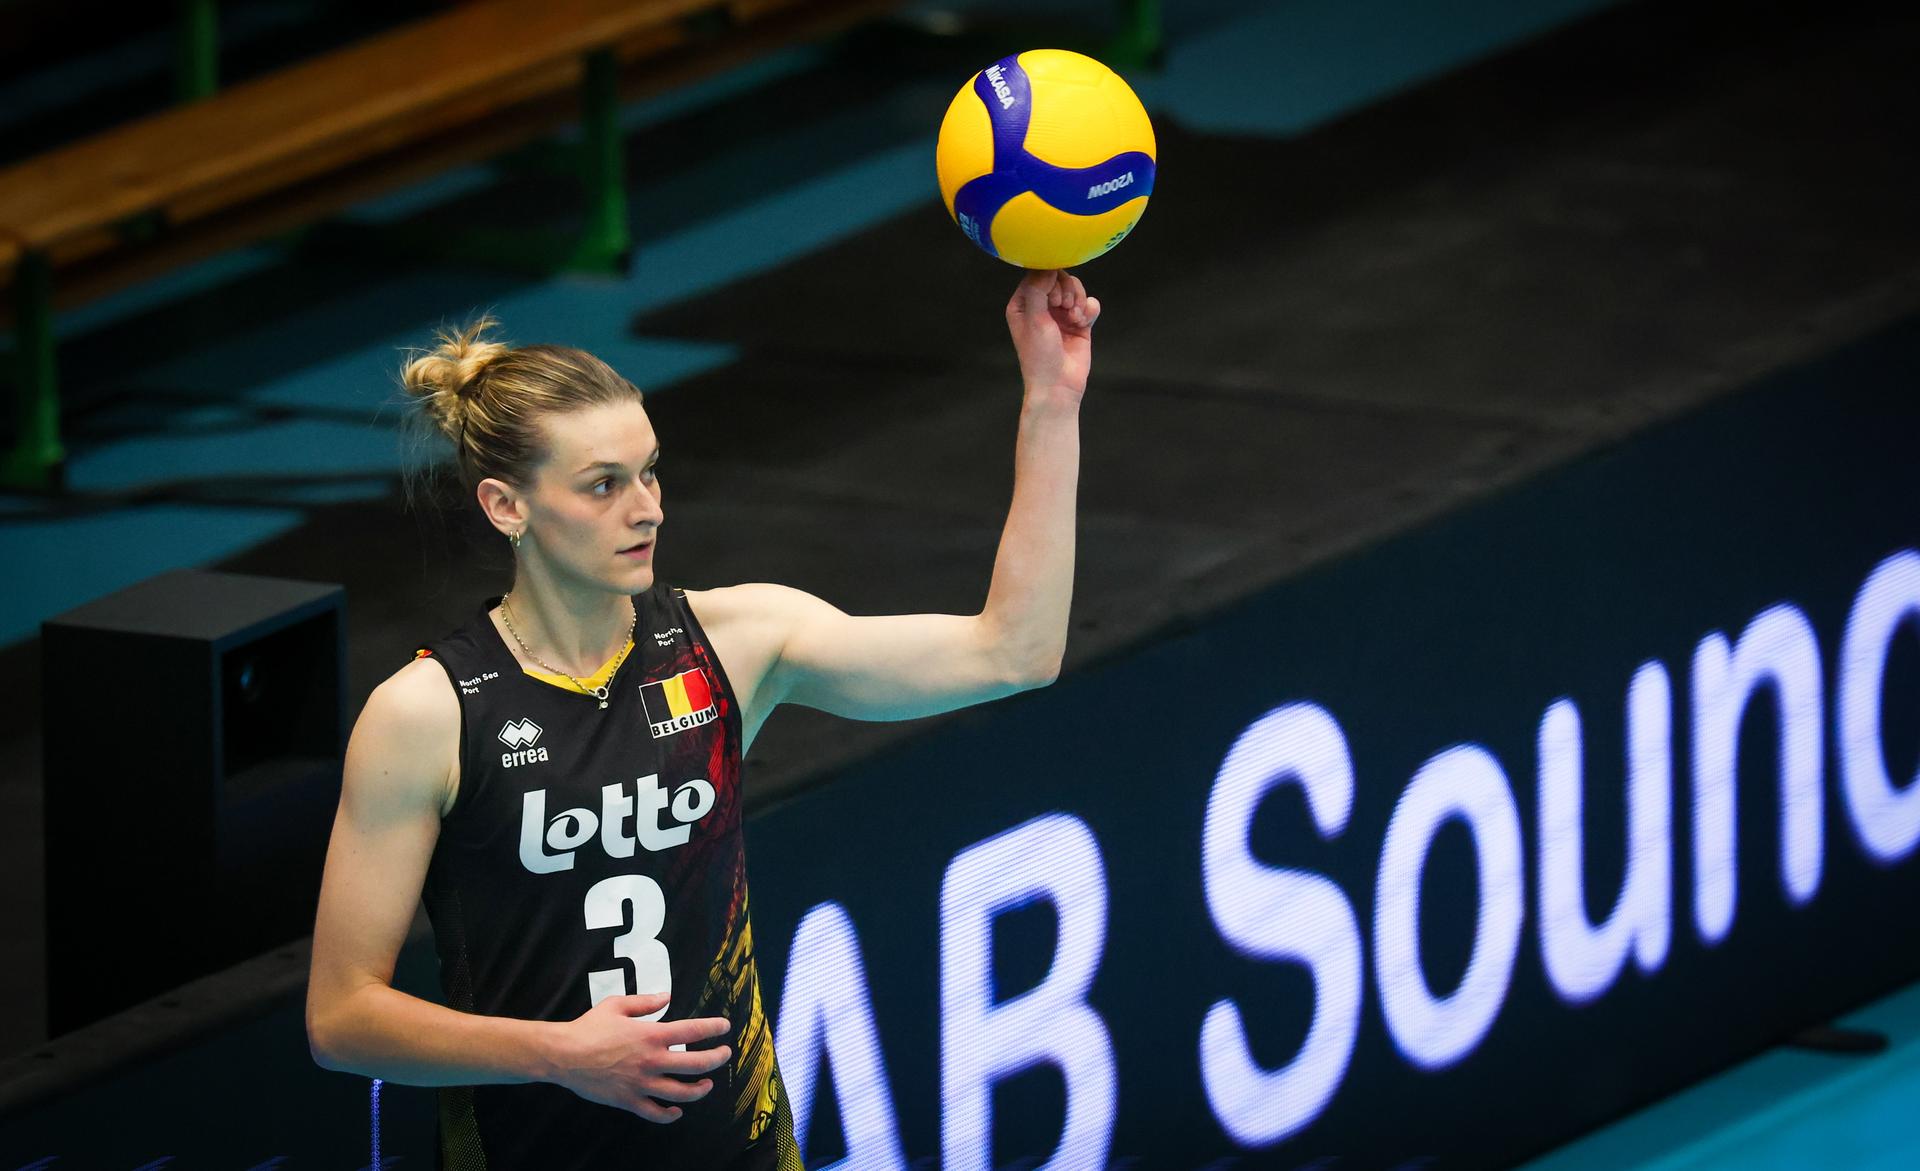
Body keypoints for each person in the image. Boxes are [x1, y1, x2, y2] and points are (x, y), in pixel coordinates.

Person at [304, 267, 1100, 1169]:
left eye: (649, 471)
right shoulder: (428, 713)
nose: (648, 508)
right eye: (603, 485)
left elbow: (1013, 653)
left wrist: (1051, 400)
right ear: (506, 506)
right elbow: (342, 1018)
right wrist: (559, 1053)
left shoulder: (735, 641)